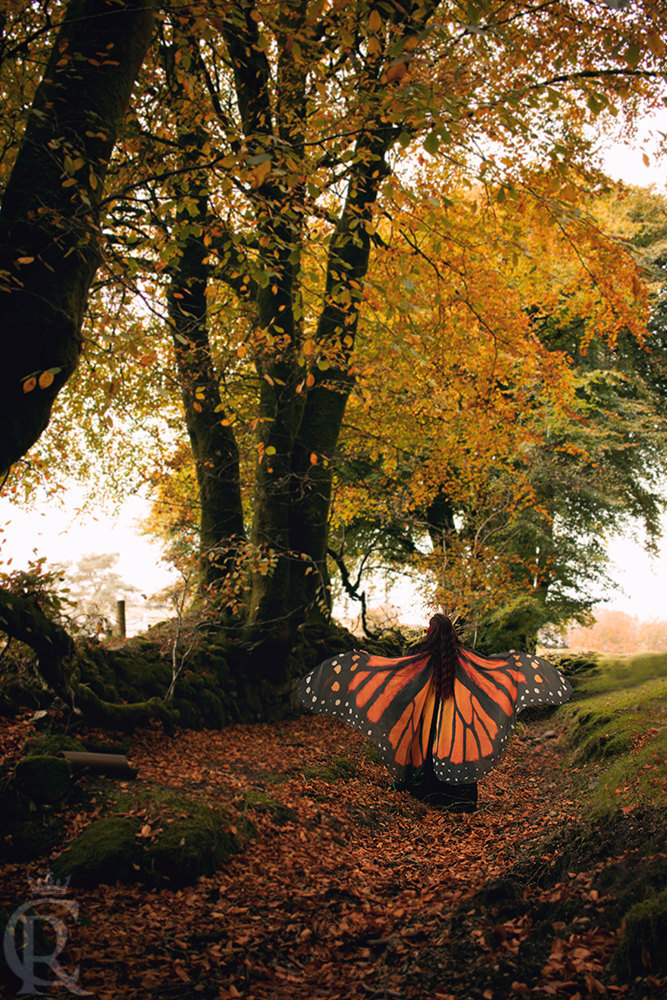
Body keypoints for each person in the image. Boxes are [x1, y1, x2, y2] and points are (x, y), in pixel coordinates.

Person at [297, 613, 572, 812]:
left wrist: (368, 664)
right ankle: (460, 798)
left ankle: (423, 792)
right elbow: (498, 673)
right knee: (456, 746)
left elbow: (395, 673)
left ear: (430, 632)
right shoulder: (463, 656)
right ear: (452, 632)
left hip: (426, 715)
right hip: (458, 718)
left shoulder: (420, 653)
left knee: (422, 745)